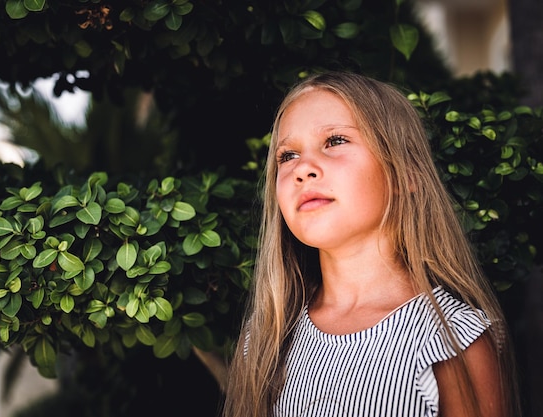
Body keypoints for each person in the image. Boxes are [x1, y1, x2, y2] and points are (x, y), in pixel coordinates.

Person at [222, 71, 520, 417]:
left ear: (404, 174)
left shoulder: (451, 340)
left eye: (335, 141)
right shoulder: (265, 339)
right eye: (288, 156)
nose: (303, 169)